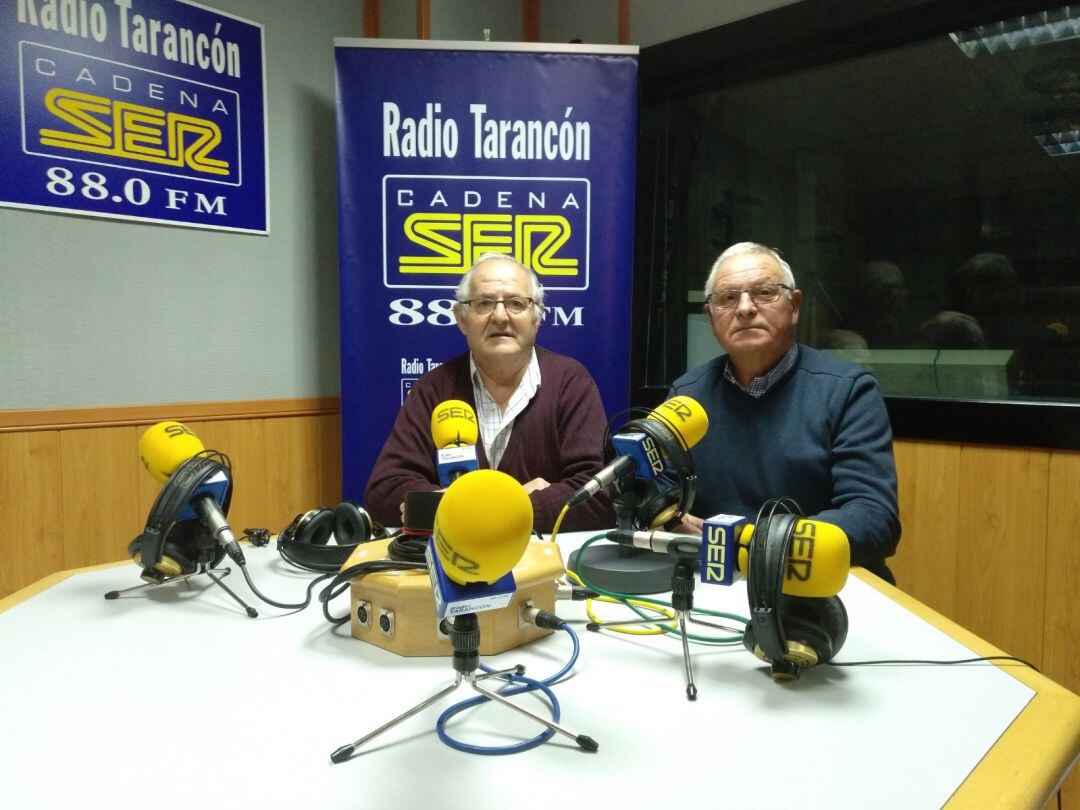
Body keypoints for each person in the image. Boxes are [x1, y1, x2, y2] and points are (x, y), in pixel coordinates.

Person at [668, 242, 901, 581]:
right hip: (717, 585)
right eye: (728, 298)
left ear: (794, 306)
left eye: (763, 293)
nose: (745, 308)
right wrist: (670, 520)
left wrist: (750, 542)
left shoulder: (847, 390)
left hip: (821, 588)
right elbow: (662, 498)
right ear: (711, 317)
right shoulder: (686, 396)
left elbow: (873, 518)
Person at [364, 253, 612, 532]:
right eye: (484, 304)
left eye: (516, 303)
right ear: (461, 319)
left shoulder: (570, 382)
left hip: (540, 563)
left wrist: (462, 510)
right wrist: (509, 503)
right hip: (454, 563)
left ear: (537, 317)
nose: (500, 316)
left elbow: (597, 494)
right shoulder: (433, 389)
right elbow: (385, 492)